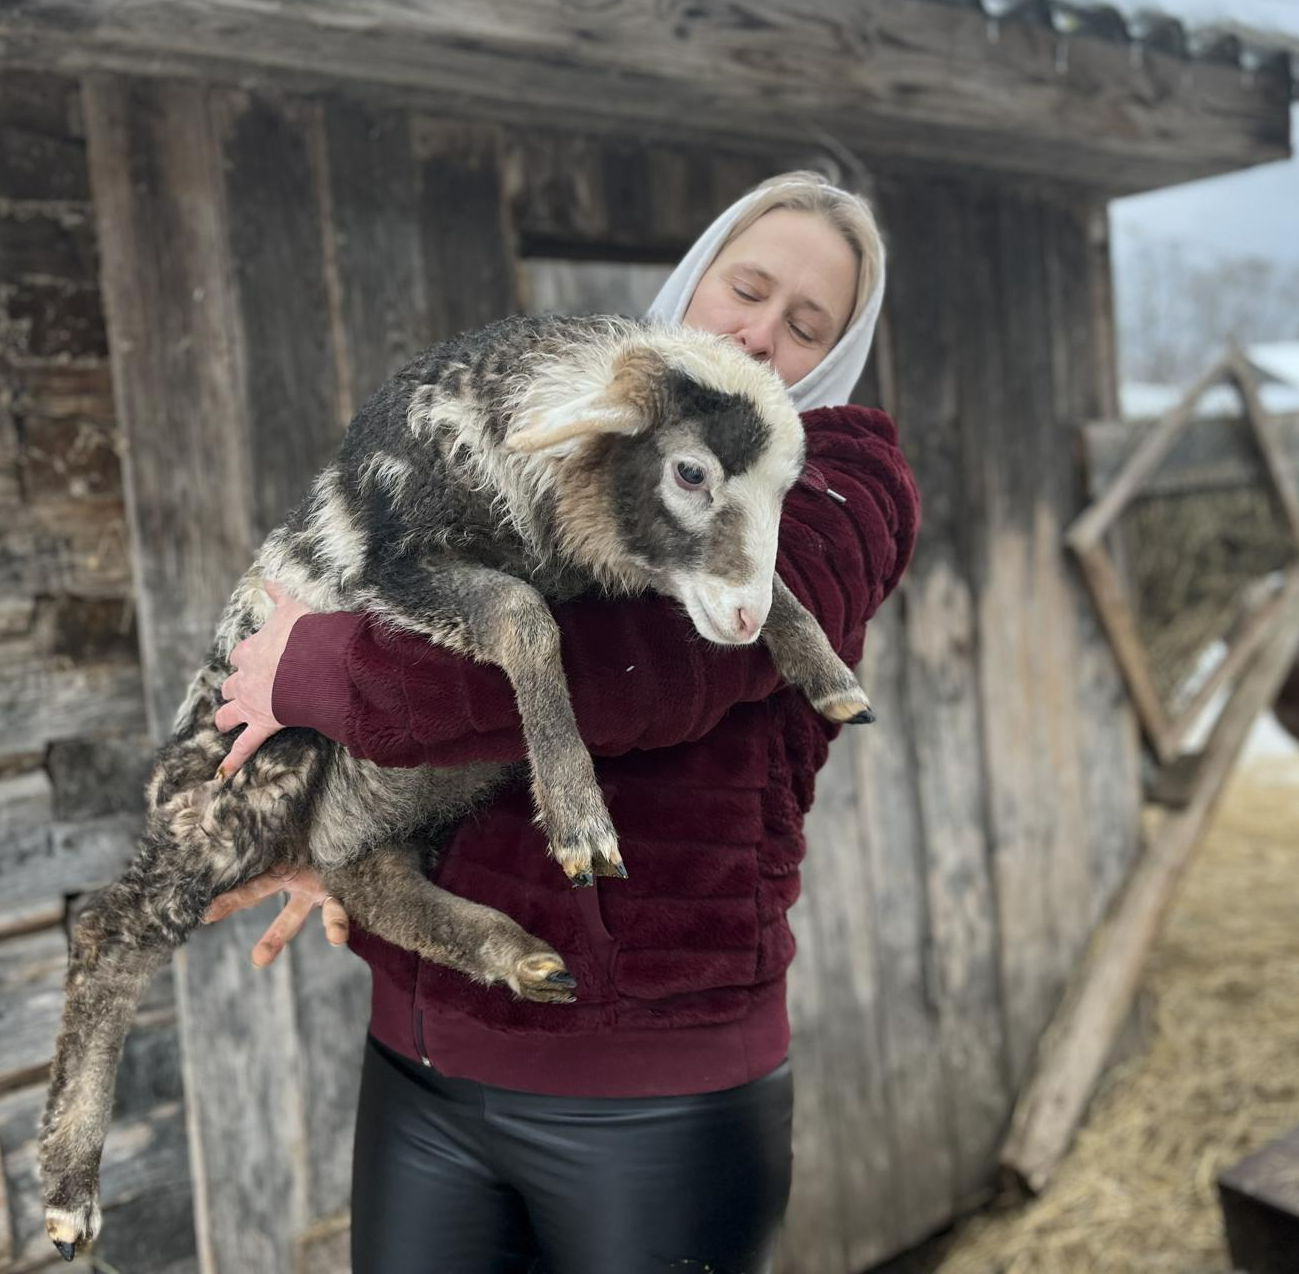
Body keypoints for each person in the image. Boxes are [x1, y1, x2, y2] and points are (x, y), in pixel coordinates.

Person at [203, 171, 920, 1273]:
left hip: (651, 1090)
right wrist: (323, 827)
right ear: (693, 281)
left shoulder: (838, 480)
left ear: (835, 353)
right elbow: (419, 589)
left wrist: (314, 671)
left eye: (805, 323)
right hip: (427, 1053)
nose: (761, 334)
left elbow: (643, 673)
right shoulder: (571, 432)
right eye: (747, 288)